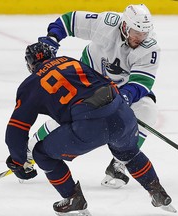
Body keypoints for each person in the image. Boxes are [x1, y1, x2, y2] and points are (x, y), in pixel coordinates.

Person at [5, 42, 176, 215]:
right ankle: (157, 190)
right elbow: (108, 83)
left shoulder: (30, 85)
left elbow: (16, 130)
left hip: (89, 125)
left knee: (42, 153)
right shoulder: (70, 61)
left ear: (29, 64)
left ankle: (73, 197)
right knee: (128, 152)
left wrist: (18, 161)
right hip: (121, 114)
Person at [33, 3, 160, 188]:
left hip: (122, 87)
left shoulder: (150, 47)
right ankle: (31, 150)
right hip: (89, 79)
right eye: (136, 32)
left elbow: (142, 82)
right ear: (124, 26)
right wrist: (51, 39)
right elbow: (68, 20)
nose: (140, 38)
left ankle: (120, 162)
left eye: (144, 34)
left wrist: (123, 97)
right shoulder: (107, 24)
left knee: (147, 110)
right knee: (70, 117)